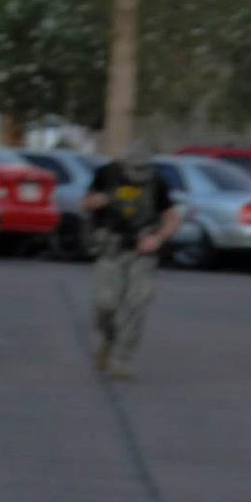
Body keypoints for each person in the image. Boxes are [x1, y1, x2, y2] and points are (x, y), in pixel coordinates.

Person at [83, 143, 184, 379]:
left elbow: (173, 217)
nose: (140, 174)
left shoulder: (157, 182)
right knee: (105, 304)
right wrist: (94, 202)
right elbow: (85, 204)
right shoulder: (105, 174)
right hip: (110, 248)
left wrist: (157, 239)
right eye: (135, 168)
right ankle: (108, 338)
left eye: (144, 168)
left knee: (136, 304)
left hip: (142, 251)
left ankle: (122, 358)